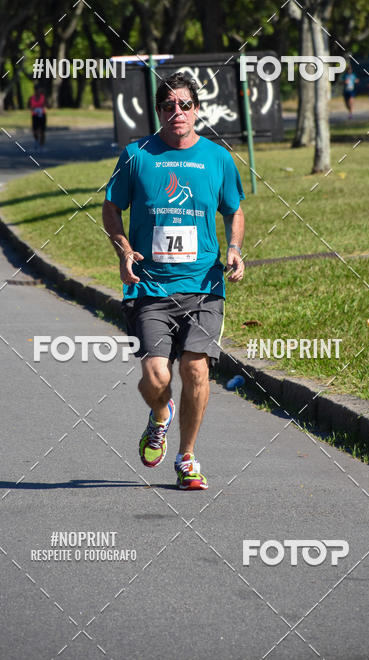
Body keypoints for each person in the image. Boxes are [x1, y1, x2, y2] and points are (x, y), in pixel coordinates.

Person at [102, 71, 245, 490]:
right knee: (157, 379)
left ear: (196, 109)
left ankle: (187, 458)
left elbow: (233, 210)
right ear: (159, 111)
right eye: (168, 106)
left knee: (196, 370)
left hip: (203, 284)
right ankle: (159, 416)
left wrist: (234, 248)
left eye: (184, 105)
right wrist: (125, 250)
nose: (177, 113)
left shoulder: (217, 158)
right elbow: (111, 209)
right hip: (150, 287)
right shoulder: (136, 155)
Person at [28, 83, 48, 148]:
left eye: (39, 90)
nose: (38, 91)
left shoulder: (43, 97)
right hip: (35, 115)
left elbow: (48, 105)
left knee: (42, 130)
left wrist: (43, 105)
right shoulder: (31, 98)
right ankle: (36, 140)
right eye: (36, 90)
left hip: (42, 115)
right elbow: (28, 106)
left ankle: (42, 144)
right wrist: (32, 108)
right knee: (35, 130)